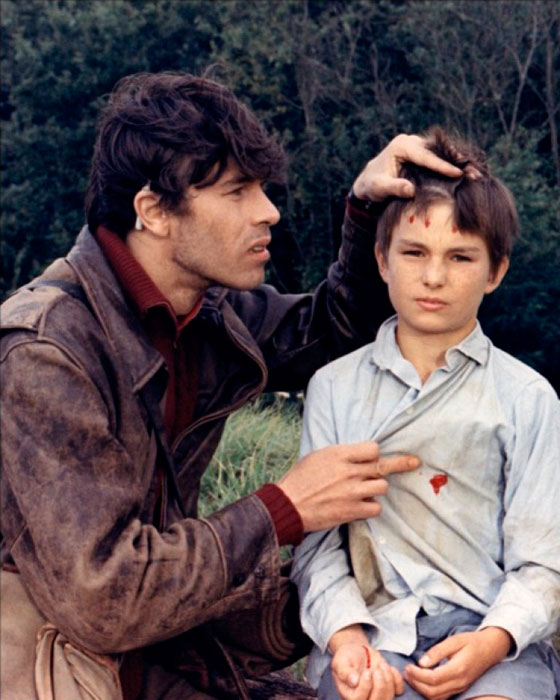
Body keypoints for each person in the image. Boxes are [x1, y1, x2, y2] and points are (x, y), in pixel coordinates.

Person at [0, 71, 465, 698]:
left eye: (262, 187)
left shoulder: (206, 310)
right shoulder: (45, 350)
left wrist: (366, 208)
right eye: (237, 190)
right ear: (154, 212)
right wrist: (285, 508)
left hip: (162, 651)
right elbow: (104, 596)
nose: (268, 210)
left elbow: (332, 336)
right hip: (64, 668)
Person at [290, 129, 560, 700]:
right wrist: (347, 641)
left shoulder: (525, 395)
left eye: (460, 257)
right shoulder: (334, 388)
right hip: (376, 633)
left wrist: (493, 641)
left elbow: (547, 564)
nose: (434, 277)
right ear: (381, 259)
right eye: (414, 252)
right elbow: (318, 551)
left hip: (490, 634)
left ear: (495, 271)